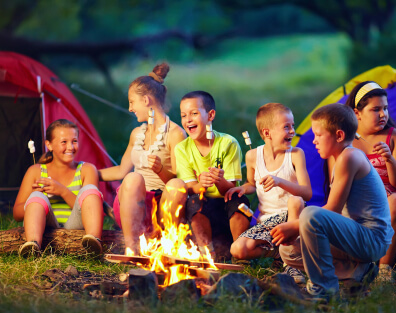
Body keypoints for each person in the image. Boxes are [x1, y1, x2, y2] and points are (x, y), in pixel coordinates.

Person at [278, 103, 394, 302]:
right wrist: (300, 231)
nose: (314, 141)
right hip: (356, 239)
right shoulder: (341, 158)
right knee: (289, 250)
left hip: (371, 239)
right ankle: (357, 272)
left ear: (339, 136)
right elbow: (335, 215)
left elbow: (332, 209)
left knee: (310, 214)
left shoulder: (349, 157)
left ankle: (323, 289)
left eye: (318, 135)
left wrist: (294, 226)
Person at [98, 63, 186, 254]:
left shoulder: (176, 134)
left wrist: (160, 169)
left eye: (132, 102)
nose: (130, 108)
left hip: (162, 208)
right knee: (132, 177)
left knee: (177, 185)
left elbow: (179, 182)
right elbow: (121, 170)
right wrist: (89, 172)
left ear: (146, 100)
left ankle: (167, 245)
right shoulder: (137, 133)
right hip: (132, 207)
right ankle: (132, 249)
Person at [225, 103, 312, 280]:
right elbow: (251, 183)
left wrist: (280, 181)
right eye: (286, 127)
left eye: (293, 126)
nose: (292, 131)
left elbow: (307, 193)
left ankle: (293, 264)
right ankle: (279, 255)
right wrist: (243, 188)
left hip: (292, 217)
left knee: (295, 201)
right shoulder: (252, 157)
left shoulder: (296, 154)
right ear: (267, 133)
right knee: (237, 249)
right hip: (267, 222)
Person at [172, 90, 251, 260]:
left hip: (226, 204)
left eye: (194, 113)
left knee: (239, 201)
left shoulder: (228, 143)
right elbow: (191, 188)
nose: (188, 120)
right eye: (183, 115)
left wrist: (219, 180)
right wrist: (202, 185)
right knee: (193, 202)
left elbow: (231, 188)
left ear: (211, 115)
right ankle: (208, 254)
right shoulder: (182, 149)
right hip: (203, 210)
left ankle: (240, 252)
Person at [345, 81, 396, 281]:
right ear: (357, 113)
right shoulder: (345, 140)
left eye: (386, 108)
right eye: (376, 109)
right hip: (356, 204)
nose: (383, 114)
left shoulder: (394, 137)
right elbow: (336, 183)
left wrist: (389, 159)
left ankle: (384, 269)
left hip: (387, 204)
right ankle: (356, 266)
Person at [13, 119, 104, 257]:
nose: (70, 147)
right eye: (64, 142)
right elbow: (17, 214)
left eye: (74, 141)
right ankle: (33, 245)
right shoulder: (36, 171)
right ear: (49, 145)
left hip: (76, 226)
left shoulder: (87, 169)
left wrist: (62, 191)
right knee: (37, 197)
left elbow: (92, 208)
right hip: (47, 226)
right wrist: (33, 196)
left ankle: (93, 241)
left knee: (90, 189)